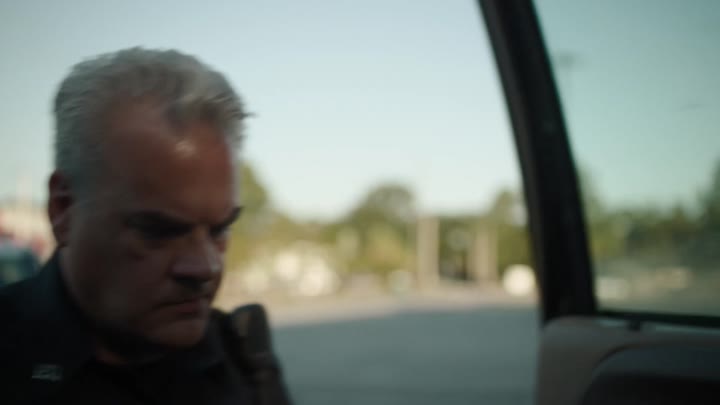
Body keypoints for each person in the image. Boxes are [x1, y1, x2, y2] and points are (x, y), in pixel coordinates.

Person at [0, 48, 292, 405]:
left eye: (219, 231)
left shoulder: (243, 360)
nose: (205, 268)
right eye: (158, 231)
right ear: (64, 208)